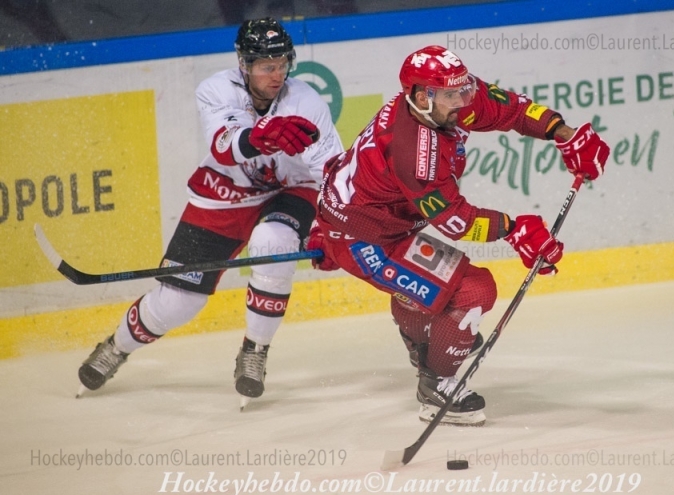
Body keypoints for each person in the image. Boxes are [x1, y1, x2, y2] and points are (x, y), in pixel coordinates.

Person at [307, 45, 609, 426]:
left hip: (372, 218)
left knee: (434, 297)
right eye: (453, 95)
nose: (465, 101)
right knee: (474, 292)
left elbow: (513, 109)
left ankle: (426, 346)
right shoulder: (415, 151)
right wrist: (515, 231)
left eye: (463, 89)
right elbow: (455, 220)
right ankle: (437, 385)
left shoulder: (446, 98)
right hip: (365, 238)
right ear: (421, 96)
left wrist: (564, 135)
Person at [76, 17, 344, 409]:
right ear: (244, 64)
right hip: (226, 192)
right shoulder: (216, 89)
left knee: (274, 240)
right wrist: (259, 137)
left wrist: (328, 227)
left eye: (283, 63)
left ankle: (255, 351)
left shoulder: (306, 101)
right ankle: (117, 346)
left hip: (291, 190)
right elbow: (224, 146)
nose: (277, 74)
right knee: (178, 302)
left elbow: (333, 172)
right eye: (266, 66)